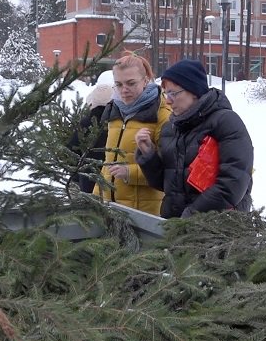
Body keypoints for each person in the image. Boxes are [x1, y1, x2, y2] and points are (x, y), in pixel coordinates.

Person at [135, 59, 253, 219]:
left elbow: (232, 184)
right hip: (175, 228)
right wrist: (148, 155)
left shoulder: (226, 122)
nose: (168, 100)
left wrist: (191, 216)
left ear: (194, 91)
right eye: (166, 93)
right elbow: (168, 186)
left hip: (218, 231)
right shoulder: (170, 129)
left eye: (173, 93)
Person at [94, 53, 171, 215]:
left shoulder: (162, 114)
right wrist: (96, 199)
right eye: (118, 84)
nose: (124, 90)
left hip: (145, 216)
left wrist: (130, 172)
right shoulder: (115, 112)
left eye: (131, 83)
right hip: (110, 211)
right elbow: (107, 165)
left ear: (146, 80)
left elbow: (169, 170)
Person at [67, 83, 113, 193]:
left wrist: (77, 176)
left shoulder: (85, 124)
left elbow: (71, 151)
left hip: (87, 180)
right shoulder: (116, 124)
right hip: (113, 182)